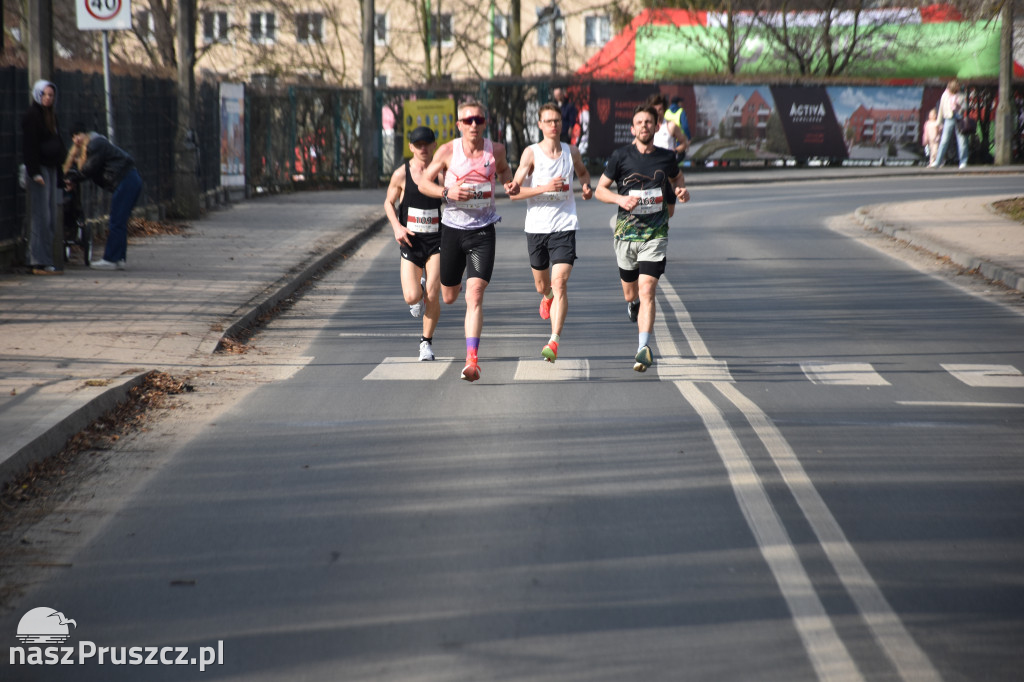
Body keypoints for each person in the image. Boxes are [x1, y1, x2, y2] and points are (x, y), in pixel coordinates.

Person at [417, 100, 513, 382]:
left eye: (479, 120)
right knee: (448, 296)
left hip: (483, 230)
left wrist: (509, 182)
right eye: (468, 120)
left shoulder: (495, 150)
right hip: (452, 229)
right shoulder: (448, 151)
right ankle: (430, 284)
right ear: (459, 125)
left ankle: (472, 360)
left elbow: (505, 171)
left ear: (485, 123)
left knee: (475, 294)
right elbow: (424, 182)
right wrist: (447, 193)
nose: (474, 124)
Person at [595, 104, 690, 373]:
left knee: (648, 289)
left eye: (649, 122)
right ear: (632, 128)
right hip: (626, 235)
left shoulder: (667, 156)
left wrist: (681, 190)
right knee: (631, 292)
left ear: (656, 126)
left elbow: (677, 178)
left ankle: (643, 348)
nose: (644, 126)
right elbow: (601, 190)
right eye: (639, 122)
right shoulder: (620, 157)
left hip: (655, 234)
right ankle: (632, 304)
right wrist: (620, 199)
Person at [506, 102, 593, 363]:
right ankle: (546, 297)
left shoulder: (572, 151)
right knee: (543, 285)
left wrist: (587, 187)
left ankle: (554, 340)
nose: (553, 125)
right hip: (536, 227)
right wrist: (544, 187)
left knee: (560, 283)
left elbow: (583, 173)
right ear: (540, 125)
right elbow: (515, 193)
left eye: (557, 121)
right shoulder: (531, 154)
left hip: (564, 225)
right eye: (548, 121)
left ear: (561, 124)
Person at [384, 126, 443, 361]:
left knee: (433, 292)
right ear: (411, 147)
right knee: (411, 296)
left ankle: (426, 343)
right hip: (411, 241)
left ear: (434, 145)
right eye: (418, 145)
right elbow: (388, 204)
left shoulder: (441, 173)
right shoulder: (401, 174)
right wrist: (397, 228)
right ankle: (417, 291)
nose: (423, 148)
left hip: (437, 240)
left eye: (427, 143)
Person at [64, 123, 143, 270]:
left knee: (116, 220)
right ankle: (119, 258)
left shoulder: (96, 144)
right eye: (73, 137)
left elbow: (89, 169)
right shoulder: (95, 144)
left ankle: (111, 259)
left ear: (85, 133)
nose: (76, 139)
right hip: (129, 180)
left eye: (78, 134)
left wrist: (73, 179)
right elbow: (87, 169)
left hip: (126, 181)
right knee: (119, 220)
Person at [21, 80, 67, 275]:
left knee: (50, 217)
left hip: (51, 167)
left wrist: (61, 174)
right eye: (45, 95)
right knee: (42, 216)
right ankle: (38, 260)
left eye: (51, 95)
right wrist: (34, 172)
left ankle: (45, 259)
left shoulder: (51, 116)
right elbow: (29, 146)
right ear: (38, 95)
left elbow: (57, 142)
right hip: (40, 169)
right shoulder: (33, 116)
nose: (48, 98)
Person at [647, 94, 689, 218]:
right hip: (652, 171)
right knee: (652, 209)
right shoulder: (647, 127)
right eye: (655, 109)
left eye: (660, 109)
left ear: (664, 110)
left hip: (668, 171)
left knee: (669, 213)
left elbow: (684, 143)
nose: (658, 112)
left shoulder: (670, 126)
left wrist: (675, 151)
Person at [930, 79, 968, 169]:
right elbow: (941, 109)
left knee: (962, 141)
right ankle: (937, 162)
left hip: (959, 118)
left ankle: (963, 162)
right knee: (944, 141)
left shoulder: (961, 94)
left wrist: (959, 105)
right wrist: (938, 122)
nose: (953, 91)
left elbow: (965, 107)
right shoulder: (945, 95)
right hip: (948, 118)